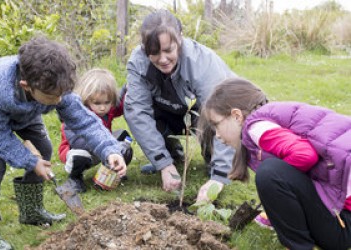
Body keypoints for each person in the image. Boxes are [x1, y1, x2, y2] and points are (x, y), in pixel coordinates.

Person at [0, 36, 126, 250]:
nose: (58, 101)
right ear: (26, 85)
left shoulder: (55, 86)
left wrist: (110, 149)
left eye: (61, 94)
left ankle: (31, 211)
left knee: (45, 148)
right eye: (52, 96)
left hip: (28, 112)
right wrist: (30, 161)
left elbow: (85, 121)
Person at [199, 78, 351, 250]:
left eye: (216, 125)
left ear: (236, 116)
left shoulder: (256, 127)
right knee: (274, 173)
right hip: (342, 218)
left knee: (271, 173)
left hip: (344, 225)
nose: (217, 135)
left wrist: (280, 196)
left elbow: (305, 155)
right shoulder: (272, 118)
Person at [124, 9, 237, 195]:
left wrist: (219, 176)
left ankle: (214, 160)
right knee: (128, 99)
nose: (162, 59)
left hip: (203, 113)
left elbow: (225, 115)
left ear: (180, 39)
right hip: (169, 109)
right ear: (144, 48)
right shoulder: (138, 63)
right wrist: (163, 163)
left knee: (212, 114)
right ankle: (170, 156)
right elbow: (137, 112)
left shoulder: (202, 64)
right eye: (154, 53)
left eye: (168, 50)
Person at [58, 68, 133, 193]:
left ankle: (114, 171)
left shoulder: (108, 109)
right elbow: (77, 142)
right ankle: (75, 179)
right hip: (78, 150)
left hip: (102, 149)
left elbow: (119, 106)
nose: (103, 107)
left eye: (107, 102)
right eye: (97, 103)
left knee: (124, 143)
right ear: (86, 100)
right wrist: (105, 150)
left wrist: (127, 88)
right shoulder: (76, 115)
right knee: (79, 156)